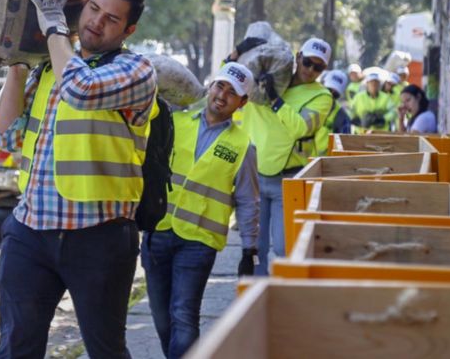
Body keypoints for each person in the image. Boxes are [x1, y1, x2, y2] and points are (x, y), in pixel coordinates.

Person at [0, 0, 157, 359]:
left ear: (128, 29)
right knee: (16, 348)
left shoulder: (136, 71)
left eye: (111, 19)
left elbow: (81, 90)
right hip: (30, 230)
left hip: (98, 237)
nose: (96, 22)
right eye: (93, 8)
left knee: (105, 350)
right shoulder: (50, 67)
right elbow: (9, 137)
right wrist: (17, 67)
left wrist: (53, 30)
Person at [141, 62, 260, 359]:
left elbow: (248, 201)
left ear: (242, 103)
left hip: (199, 242)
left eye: (233, 93)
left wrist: (249, 249)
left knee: (183, 314)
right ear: (210, 86)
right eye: (220, 86)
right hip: (160, 231)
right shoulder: (176, 122)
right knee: (161, 316)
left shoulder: (243, 146)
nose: (223, 95)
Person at [229, 32, 333, 275]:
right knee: (255, 246)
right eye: (307, 62)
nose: (310, 69)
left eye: (318, 67)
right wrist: (238, 51)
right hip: (254, 175)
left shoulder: (321, 96)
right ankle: (256, 294)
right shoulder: (267, 76)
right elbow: (228, 81)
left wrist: (275, 98)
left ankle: (284, 294)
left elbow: (299, 127)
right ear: (298, 57)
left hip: (287, 180)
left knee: (285, 247)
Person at [314, 70, 352, 155]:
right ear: (321, 85)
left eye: (336, 94)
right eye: (328, 90)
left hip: (325, 164)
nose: (330, 95)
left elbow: (345, 148)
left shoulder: (343, 118)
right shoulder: (306, 104)